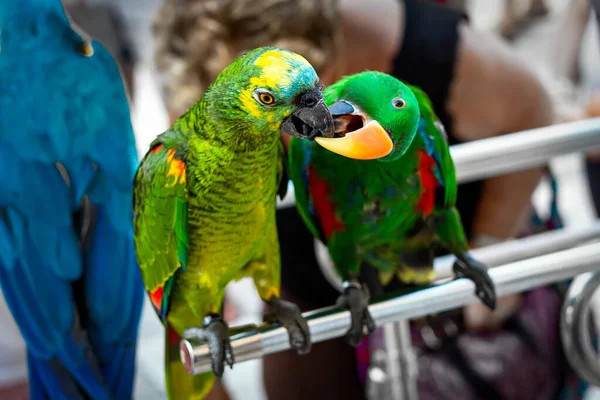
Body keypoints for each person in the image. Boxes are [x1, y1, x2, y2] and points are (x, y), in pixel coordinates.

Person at [152, 0, 569, 398]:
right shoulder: (197, 71)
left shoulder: (418, 48)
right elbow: (177, 242)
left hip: (430, 248)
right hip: (313, 261)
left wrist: (492, 243)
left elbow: (530, 107)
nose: (280, 137)